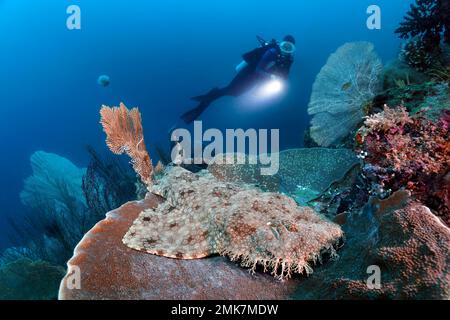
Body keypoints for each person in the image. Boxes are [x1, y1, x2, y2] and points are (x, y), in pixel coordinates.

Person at [181, 35, 296, 124]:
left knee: (235, 93)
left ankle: (208, 97)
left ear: (293, 49)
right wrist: (270, 77)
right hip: (248, 73)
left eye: (289, 47)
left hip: (259, 79)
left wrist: (278, 81)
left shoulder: (289, 60)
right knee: (231, 91)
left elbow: (284, 76)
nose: (286, 49)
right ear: (281, 44)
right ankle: (205, 100)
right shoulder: (271, 52)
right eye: (285, 46)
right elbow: (258, 69)